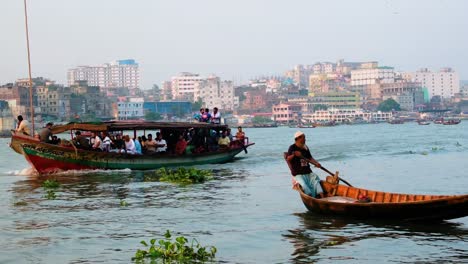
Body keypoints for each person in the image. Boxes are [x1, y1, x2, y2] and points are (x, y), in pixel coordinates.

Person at [285, 131, 324, 198]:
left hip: (308, 172)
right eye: (303, 138)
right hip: (298, 173)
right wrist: (294, 154)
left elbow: (310, 158)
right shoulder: (292, 147)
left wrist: (317, 163)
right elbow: (288, 159)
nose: (305, 139)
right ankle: (310, 197)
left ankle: (323, 197)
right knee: (303, 185)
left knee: (316, 181)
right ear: (298, 139)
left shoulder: (305, 147)